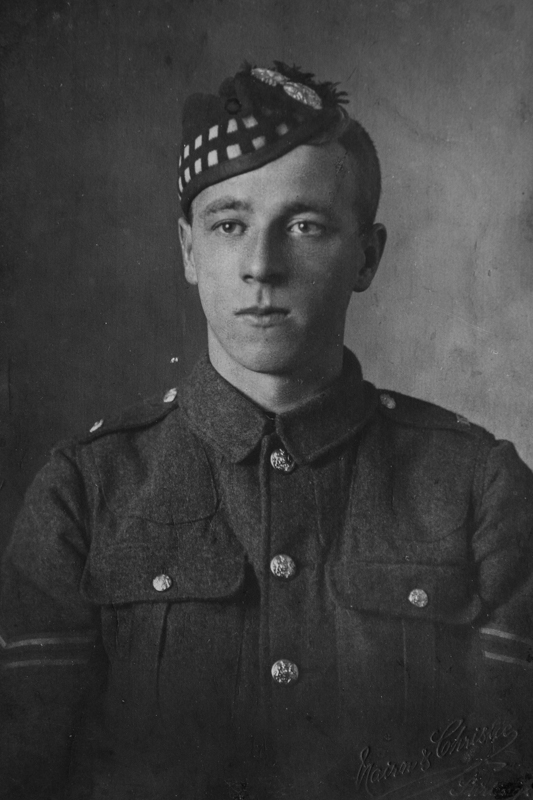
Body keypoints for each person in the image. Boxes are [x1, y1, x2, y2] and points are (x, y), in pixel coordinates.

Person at [1, 61, 533, 800]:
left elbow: (510, 771)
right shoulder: (84, 489)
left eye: (305, 226)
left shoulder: (480, 487)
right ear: (189, 250)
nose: (261, 265)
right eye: (229, 225)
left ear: (367, 256)